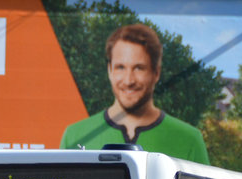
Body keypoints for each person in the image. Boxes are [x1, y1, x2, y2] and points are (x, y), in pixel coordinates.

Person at [60, 23, 209, 165]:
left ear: (156, 72)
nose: (128, 80)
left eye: (139, 68)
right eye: (120, 67)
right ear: (110, 70)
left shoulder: (190, 141)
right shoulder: (74, 136)